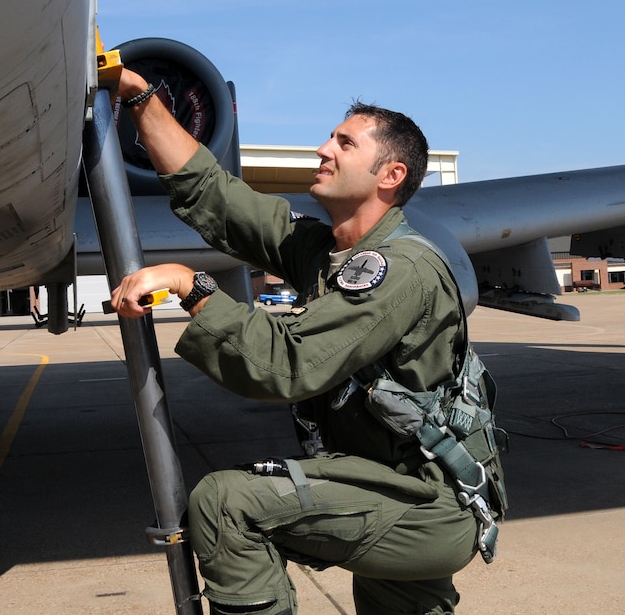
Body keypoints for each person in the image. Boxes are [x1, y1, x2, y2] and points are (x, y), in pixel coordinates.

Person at [109, 67, 499, 615]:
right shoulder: (325, 251)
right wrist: (139, 95)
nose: (323, 149)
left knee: (228, 504)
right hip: (390, 485)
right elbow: (216, 197)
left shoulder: (400, 268)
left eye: (344, 142)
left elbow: (286, 364)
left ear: (391, 174)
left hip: (425, 504)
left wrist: (189, 285)